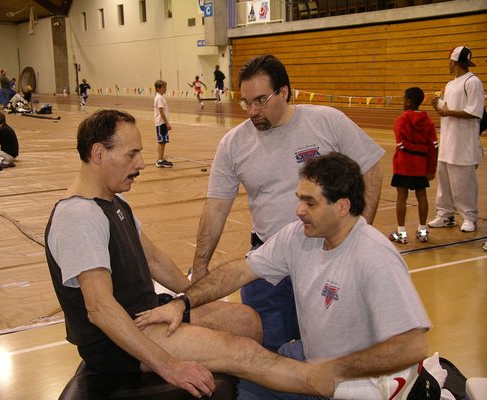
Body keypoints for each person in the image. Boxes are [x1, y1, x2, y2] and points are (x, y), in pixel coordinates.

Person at [44, 109, 353, 399]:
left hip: (146, 313)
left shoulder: (113, 203)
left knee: (247, 320)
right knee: (240, 352)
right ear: (98, 153)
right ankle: (329, 384)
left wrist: (191, 299)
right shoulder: (79, 217)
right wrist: (169, 365)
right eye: (132, 154)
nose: (141, 163)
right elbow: (100, 309)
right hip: (117, 341)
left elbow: (154, 260)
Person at [137, 152, 431, 400]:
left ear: (342, 206)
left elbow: (413, 346)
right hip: (313, 362)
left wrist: (338, 369)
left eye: (310, 202)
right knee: (249, 385)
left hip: (362, 380)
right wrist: (182, 302)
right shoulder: (300, 237)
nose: (298, 210)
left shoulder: (375, 256)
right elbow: (239, 271)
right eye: (299, 199)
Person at [191, 54, 384, 352]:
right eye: (246, 102)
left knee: (332, 351)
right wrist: (200, 267)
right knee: (265, 350)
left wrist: (361, 230)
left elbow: (371, 166)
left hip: (328, 260)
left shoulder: (326, 121)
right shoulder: (233, 144)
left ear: (283, 92)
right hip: (269, 261)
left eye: (261, 100)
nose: (252, 111)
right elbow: (216, 207)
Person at [429, 46, 484, 232]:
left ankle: (469, 217)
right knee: (444, 183)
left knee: (464, 184)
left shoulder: (473, 82)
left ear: (453, 62)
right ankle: (446, 215)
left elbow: (474, 112)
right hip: (448, 142)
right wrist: (439, 106)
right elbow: (448, 110)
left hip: (464, 145)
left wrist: (447, 111)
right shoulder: (451, 84)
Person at [388, 87, 438, 244]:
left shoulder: (402, 119)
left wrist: (418, 149)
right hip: (420, 166)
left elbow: (401, 144)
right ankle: (423, 231)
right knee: (421, 195)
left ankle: (401, 233)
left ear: (409, 102)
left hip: (403, 164)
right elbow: (434, 146)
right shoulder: (428, 121)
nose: (403, 102)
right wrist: (431, 168)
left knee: (401, 196)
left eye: (403, 99)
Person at [153, 80, 174, 168]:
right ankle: (160, 160)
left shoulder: (159, 97)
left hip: (160, 123)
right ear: (158, 88)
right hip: (161, 123)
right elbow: (161, 111)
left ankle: (160, 158)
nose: (165, 89)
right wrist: (167, 123)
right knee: (162, 141)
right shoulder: (159, 98)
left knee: (162, 141)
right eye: (164, 87)